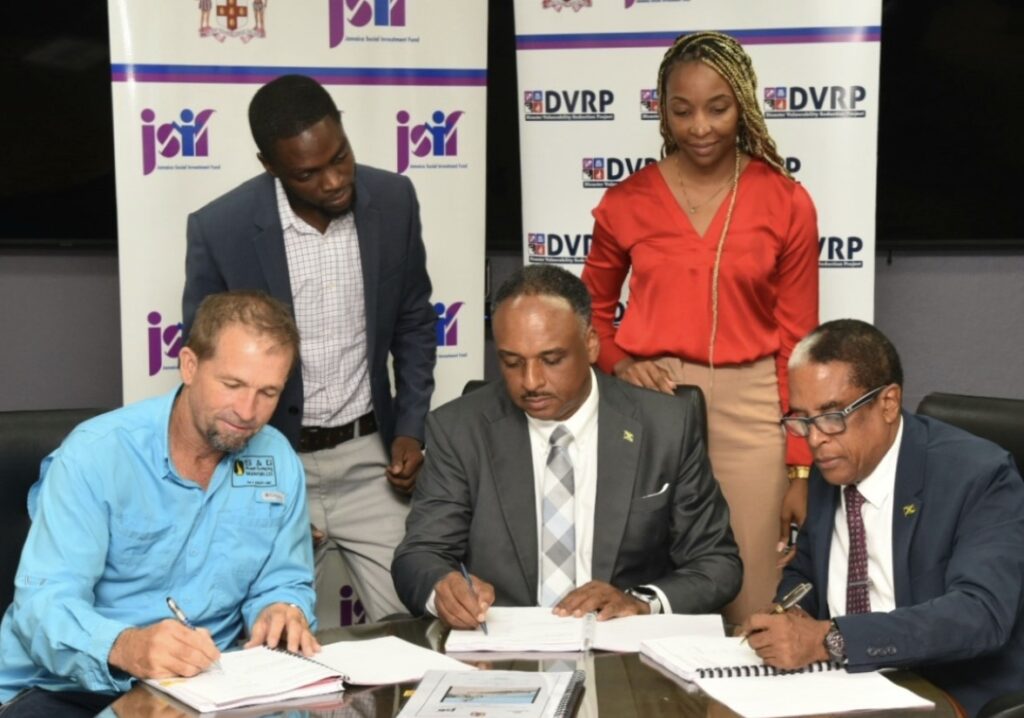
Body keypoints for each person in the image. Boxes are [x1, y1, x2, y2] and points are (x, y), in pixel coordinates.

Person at [581, 30, 819, 623]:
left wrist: (800, 465)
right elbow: (587, 317)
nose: (701, 127)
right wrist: (621, 365)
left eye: (717, 108)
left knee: (751, 595)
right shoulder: (626, 201)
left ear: (743, 105)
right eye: (682, 110)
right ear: (662, 111)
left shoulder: (786, 201)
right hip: (650, 407)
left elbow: (797, 343)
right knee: (640, 587)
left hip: (752, 412)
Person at [182, 75, 437, 622]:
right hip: (268, 462)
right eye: (308, 173)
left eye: (340, 156)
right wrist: (258, 477)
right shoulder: (221, 228)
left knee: (416, 627)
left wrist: (412, 428)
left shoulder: (395, 200)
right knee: (269, 636)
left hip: (372, 460)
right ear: (269, 165)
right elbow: (209, 368)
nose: (335, 180)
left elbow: (415, 319)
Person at [0, 291, 318, 717]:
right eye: (232, 385)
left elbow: (284, 579)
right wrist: (126, 645)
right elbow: (43, 608)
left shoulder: (277, 458)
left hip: (204, 686)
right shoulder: (97, 454)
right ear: (189, 366)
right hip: (65, 687)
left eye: (268, 392)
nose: (247, 411)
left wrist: (280, 609)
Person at [392, 266, 741, 628]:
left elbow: (716, 563)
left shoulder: (665, 427)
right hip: (501, 642)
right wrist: (442, 588)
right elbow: (420, 554)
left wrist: (640, 602)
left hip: (621, 643)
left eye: (552, 360)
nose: (531, 382)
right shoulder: (459, 429)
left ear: (590, 344)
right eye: (512, 362)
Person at [741, 319, 1024, 717]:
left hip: (947, 691)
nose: (815, 438)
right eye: (802, 420)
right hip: (838, 688)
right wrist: (791, 614)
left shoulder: (979, 476)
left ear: (888, 403)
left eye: (832, 415)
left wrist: (828, 639)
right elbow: (805, 570)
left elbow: (980, 614)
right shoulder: (834, 464)